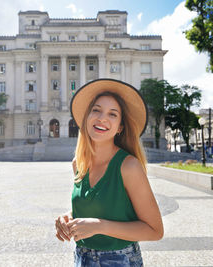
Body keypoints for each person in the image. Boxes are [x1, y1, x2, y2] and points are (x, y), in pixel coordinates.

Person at [55, 79, 164, 267]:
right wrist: (69, 218)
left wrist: (99, 226)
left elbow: (155, 231)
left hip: (119, 260)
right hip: (82, 258)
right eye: (96, 110)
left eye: (112, 114)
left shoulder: (128, 166)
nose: (102, 118)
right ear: (86, 117)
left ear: (120, 127)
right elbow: (104, 206)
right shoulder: (78, 164)